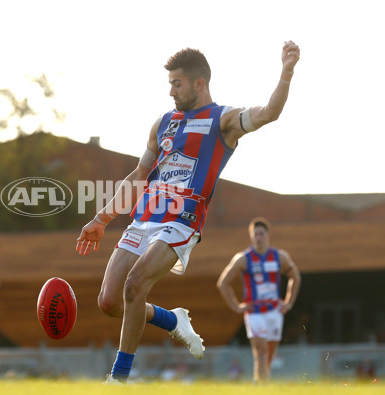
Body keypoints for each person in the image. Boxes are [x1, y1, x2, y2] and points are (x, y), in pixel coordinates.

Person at [76, 41, 301, 383]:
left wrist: (286, 72)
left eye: (176, 84)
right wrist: (101, 218)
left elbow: (269, 112)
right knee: (109, 302)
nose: (170, 91)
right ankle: (172, 320)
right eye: (169, 84)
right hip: (144, 218)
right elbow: (138, 176)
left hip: (181, 223)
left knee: (135, 285)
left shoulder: (222, 120)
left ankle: (118, 380)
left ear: (199, 83)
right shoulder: (163, 123)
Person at [217, 217, 301, 383]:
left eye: (261, 233)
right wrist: (236, 306)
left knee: (269, 355)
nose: (258, 237)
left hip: (275, 312)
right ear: (251, 236)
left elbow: (295, 278)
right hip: (254, 312)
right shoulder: (243, 259)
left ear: (268, 235)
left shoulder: (279, 257)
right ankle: (263, 388)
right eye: (255, 234)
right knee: (261, 350)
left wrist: (289, 302)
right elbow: (223, 283)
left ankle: (260, 383)